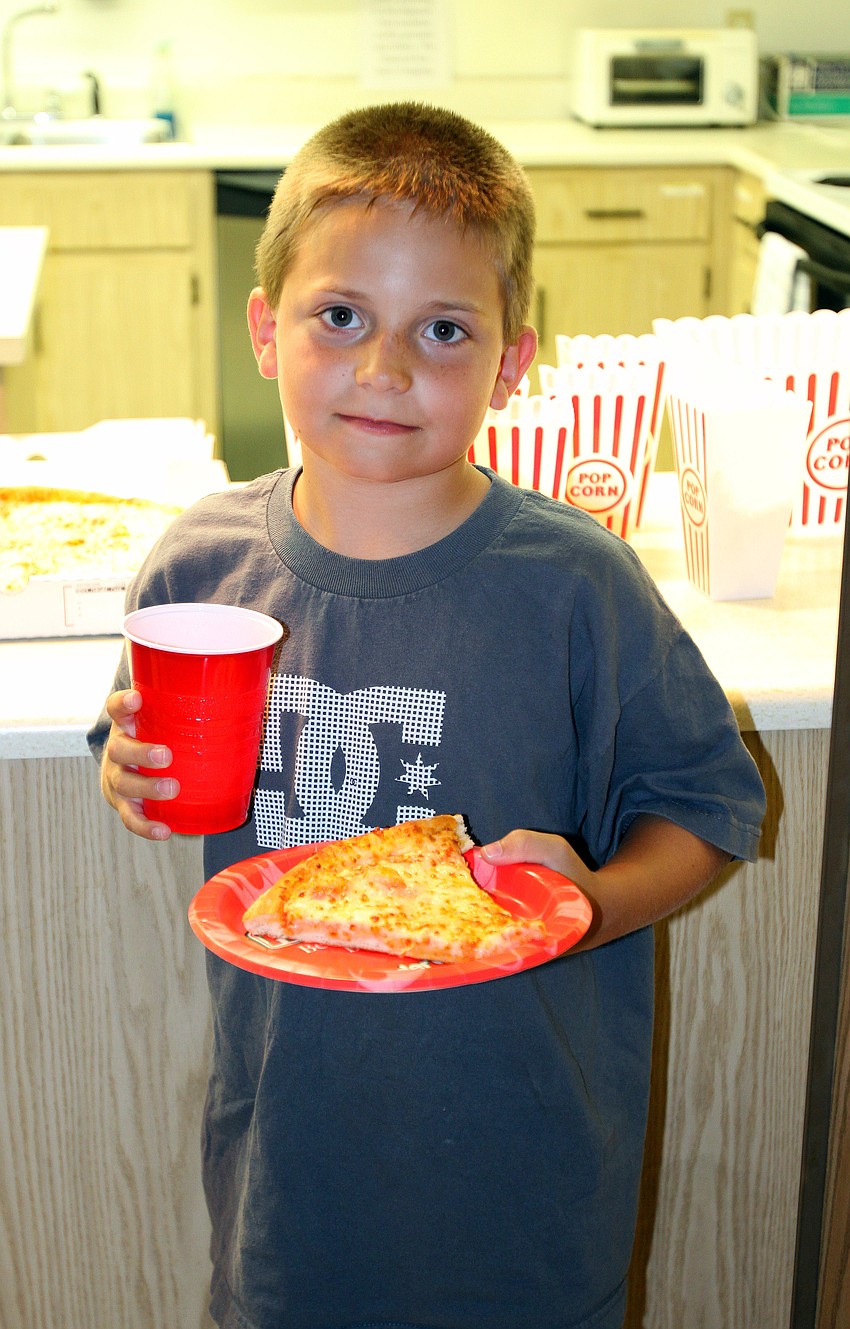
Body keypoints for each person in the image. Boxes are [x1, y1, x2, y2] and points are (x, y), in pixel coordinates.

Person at [88, 102, 766, 1329]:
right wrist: (127, 770)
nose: (383, 368)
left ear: (512, 363)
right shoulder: (200, 567)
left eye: (441, 330)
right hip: (292, 1172)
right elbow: (135, 736)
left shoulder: (572, 587)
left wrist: (588, 903)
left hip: (526, 1179)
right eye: (339, 315)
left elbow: (709, 805)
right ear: (264, 329)